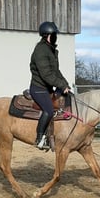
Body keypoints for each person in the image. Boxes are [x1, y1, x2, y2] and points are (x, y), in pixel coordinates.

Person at [29, 21, 71, 149]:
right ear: (47, 36)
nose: (55, 37)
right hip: (38, 88)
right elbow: (46, 75)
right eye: (53, 35)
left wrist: (65, 84)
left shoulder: (51, 51)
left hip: (47, 88)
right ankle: (39, 137)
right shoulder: (41, 50)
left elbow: (56, 71)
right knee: (48, 110)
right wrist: (61, 85)